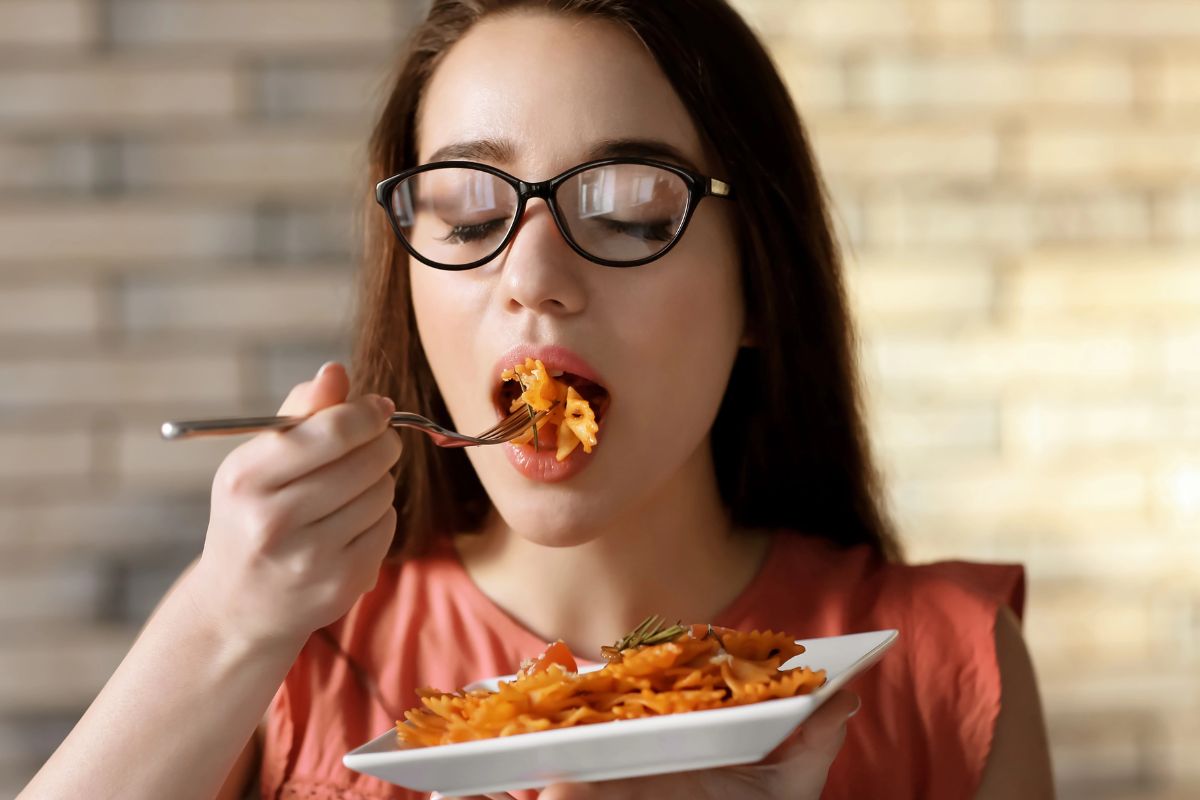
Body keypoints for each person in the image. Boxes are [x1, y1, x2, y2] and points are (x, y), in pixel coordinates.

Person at [19, 1, 1055, 798]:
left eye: (632, 210)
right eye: (469, 213)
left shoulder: (941, 663)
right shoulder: (285, 651)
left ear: (759, 284)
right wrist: (222, 618)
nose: (532, 273)